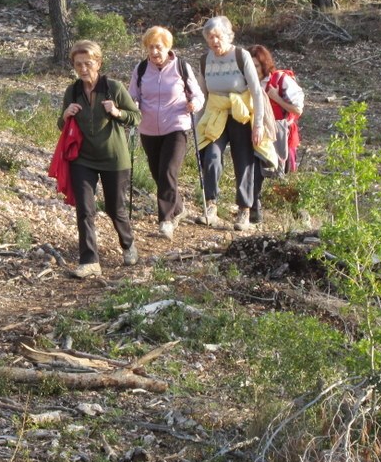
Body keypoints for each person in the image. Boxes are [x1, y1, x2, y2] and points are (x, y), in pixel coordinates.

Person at [59, 40, 141, 279]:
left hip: (114, 158)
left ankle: (128, 244)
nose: (83, 69)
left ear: (98, 63)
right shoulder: (72, 91)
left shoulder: (113, 87)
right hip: (82, 158)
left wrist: (117, 112)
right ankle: (89, 260)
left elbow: (136, 117)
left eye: (88, 63)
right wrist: (65, 115)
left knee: (116, 208)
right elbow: (61, 125)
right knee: (85, 209)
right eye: (78, 64)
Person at [194, 16, 278, 231]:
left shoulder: (241, 56)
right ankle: (210, 205)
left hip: (241, 114)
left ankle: (244, 211)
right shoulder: (205, 60)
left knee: (244, 162)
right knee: (211, 156)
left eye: (218, 36)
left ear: (228, 36)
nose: (214, 41)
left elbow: (257, 92)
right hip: (216, 114)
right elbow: (202, 94)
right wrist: (195, 125)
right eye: (210, 37)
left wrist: (258, 124)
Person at [128, 26, 205, 241]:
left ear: (168, 47)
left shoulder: (181, 67)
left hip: (176, 126)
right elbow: (131, 94)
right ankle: (179, 207)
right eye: (150, 48)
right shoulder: (141, 69)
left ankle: (165, 221)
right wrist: (132, 104)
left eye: (158, 47)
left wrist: (194, 104)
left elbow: (198, 95)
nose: (154, 52)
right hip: (149, 129)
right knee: (157, 173)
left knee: (168, 172)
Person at [250, 44, 305, 174]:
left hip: (283, 137)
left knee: (284, 177)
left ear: (264, 64)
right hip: (258, 138)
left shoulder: (280, 80)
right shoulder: (246, 84)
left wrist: (276, 98)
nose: (253, 70)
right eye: (249, 66)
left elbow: (298, 110)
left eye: (256, 66)